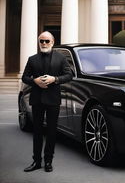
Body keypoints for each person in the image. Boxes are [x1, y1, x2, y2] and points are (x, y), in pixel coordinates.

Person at [22, 31, 72, 172]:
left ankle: (48, 162)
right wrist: (34, 81)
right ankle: (36, 161)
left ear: (52, 42)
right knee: (37, 132)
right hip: (37, 99)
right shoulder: (32, 59)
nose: (44, 43)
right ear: (39, 43)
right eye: (41, 41)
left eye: (46, 41)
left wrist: (55, 79)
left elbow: (69, 75)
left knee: (51, 132)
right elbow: (25, 77)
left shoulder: (61, 58)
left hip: (53, 100)